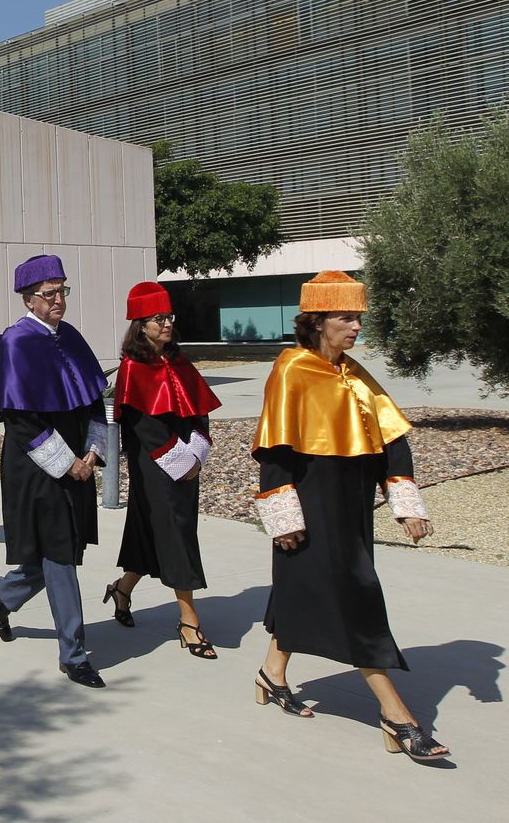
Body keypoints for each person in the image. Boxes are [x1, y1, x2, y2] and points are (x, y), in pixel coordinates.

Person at [251, 271, 448, 762]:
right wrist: (283, 518)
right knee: (355, 596)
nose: (357, 326)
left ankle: (271, 674)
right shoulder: (291, 369)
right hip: (310, 505)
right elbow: (275, 452)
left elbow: (393, 440)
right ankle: (396, 715)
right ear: (318, 321)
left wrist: (406, 505)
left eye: (359, 317)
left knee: (303, 589)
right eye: (346, 317)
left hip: (352, 505)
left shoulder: (355, 374)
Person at [0, 255, 110, 689]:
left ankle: (2, 593)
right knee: (59, 554)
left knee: (61, 550)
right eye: (49, 293)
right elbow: (20, 420)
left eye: (62, 291)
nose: (58, 300)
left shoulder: (70, 336)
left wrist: (92, 452)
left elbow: (93, 399)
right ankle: (74, 655)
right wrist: (67, 462)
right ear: (28, 299)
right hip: (37, 466)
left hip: (79, 463)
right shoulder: (16, 341)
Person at [104, 282, 222, 658]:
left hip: (187, 461)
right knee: (175, 532)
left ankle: (122, 589)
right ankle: (189, 619)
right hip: (155, 464)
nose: (167, 324)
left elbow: (199, 409)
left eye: (169, 317)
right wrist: (181, 462)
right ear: (141, 326)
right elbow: (144, 427)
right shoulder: (133, 368)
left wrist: (197, 453)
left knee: (151, 530)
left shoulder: (179, 361)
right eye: (159, 319)